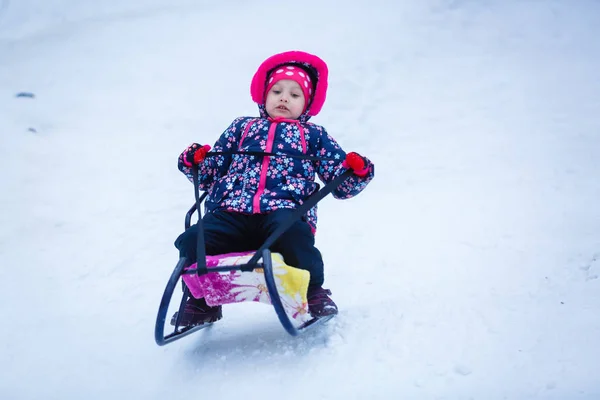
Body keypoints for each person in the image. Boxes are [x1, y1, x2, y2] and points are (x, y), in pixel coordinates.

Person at [172, 50, 374, 327]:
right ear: (263, 96)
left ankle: (312, 292)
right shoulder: (242, 127)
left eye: (294, 94)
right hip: (231, 211)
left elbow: (341, 183)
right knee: (193, 239)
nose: (283, 98)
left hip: (283, 213)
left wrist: (357, 170)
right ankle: (200, 301)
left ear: (307, 104)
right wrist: (195, 161)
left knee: (296, 236)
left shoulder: (314, 135)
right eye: (276, 91)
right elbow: (210, 172)